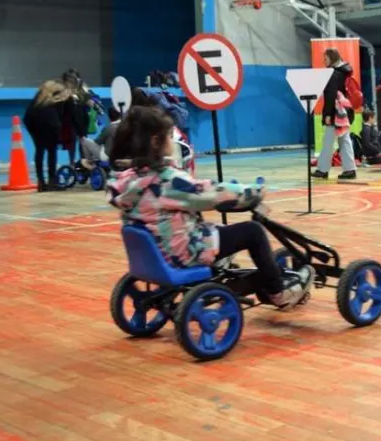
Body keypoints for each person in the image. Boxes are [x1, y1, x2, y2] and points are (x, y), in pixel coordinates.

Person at [107, 106, 312, 309]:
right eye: (169, 136)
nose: (172, 141)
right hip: (184, 253)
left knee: (218, 231)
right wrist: (254, 192)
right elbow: (211, 192)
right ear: (155, 142)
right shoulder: (164, 181)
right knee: (253, 231)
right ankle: (279, 292)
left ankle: (228, 269)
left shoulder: (123, 182)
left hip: (159, 252)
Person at [313, 48, 358, 180]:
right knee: (345, 141)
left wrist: (327, 114)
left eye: (325, 58)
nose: (324, 61)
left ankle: (322, 170)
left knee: (328, 141)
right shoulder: (345, 72)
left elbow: (331, 96)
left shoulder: (333, 74)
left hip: (336, 113)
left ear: (332, 58)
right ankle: (350, 169)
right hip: (345, 110)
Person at [24, 80, 74, 191]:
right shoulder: (54, 100)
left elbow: (28, 117)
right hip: (46, 124)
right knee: (51, 150)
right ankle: (52, 180)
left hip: (32, 123)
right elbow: (56, 120)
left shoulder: (38, 99)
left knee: (40, 150)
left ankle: (41, 182)